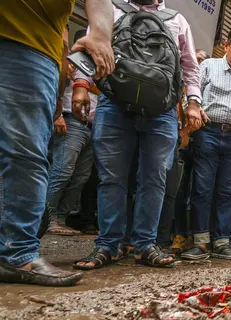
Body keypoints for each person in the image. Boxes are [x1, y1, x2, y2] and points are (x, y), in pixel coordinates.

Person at [73, 0, 205, 270]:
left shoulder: (177, 20)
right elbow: (91, 47)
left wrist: (193, 102)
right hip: (115, 104)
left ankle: (144, 244)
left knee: (154, 179)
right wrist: (80, 84)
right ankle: (108, 244)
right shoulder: (110, 8)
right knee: (111, 179)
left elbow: (190, 66)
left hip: (162, 111)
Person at [0, 0, 114, 286]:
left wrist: (100, 34)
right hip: (33, 51)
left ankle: (16, 251)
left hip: (31, 44)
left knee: (25, 155)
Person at [182, 27, 231, 261]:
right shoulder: (208, 67)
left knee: (227, 193)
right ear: (226, 45)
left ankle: (222, 242)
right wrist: (195, 109)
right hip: (208, 132)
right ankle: (201, 243)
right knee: (203, 188)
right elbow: (191, 95)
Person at [46, 29, 99, 237]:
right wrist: (57, 116)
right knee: (61, 171)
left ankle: (61, 218)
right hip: (70, 120)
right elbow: (55, 88)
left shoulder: (96, 65)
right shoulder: (71, 61)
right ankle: (46, 219)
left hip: (91, 126)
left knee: (81, 177)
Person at [171, 48, 210, 254]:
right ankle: (178, 233)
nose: (200, 65)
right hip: (181, 142)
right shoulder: (182, 85)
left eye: (204, 61)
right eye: (197, 60)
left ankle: (194, 236)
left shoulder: (203, 88)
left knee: (198, 190)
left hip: (201, 142)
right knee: (178, 189)